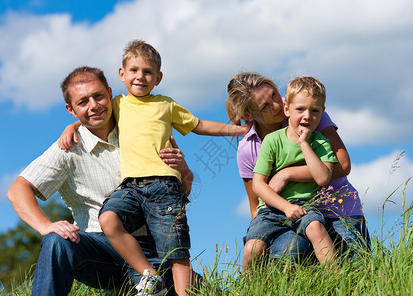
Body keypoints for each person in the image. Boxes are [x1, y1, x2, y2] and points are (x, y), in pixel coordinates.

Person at [6, 66, 192, 296]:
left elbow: (180, 193)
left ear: (111, 94)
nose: (93, 106)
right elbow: (18, 190)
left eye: (98, 96)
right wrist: (46, 226)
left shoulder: (144, 129)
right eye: (82, 102)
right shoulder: (68, 147)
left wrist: (184, 172)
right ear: (71, 109)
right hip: (100, 249)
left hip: (153, 250)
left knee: (201, 290)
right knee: (57, 241)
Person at [94, 39, 250, 296]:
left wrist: (239, 130)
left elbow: (199, 125)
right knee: (108, 219)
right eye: (134, 70)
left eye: (148, 72)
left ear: (158, 77)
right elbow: (93, 116)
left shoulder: (166, 105)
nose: (140, 77)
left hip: (165, 186)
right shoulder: (117, 104)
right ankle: (149, 275)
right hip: (130, 187)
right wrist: (70, 128)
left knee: (176, 251)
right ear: (122, 74)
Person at [226, 72, 371, 264]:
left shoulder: (306, 111)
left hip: (337, 209)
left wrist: (288, 173)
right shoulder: (248, 148)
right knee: (285, 262)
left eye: (275, 95)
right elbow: (256, 206)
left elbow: (342, 164)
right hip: (289, 216)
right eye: (265, 106)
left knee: (357, 269)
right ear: (249, 115)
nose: (277, 105)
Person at [242, 76, 338, 269]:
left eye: (315, 111)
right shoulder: (272, 140)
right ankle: (249, 287)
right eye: (300, 109)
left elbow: (322, 177)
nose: (307, 116)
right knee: (253, 248)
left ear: (322, 113)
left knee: (316, 228)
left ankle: (337, 278)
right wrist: (285, 207)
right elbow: (258, 184)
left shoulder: (320, 142)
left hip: (305, 206)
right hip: (271, 209)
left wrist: (304, 144)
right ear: (287, 109)